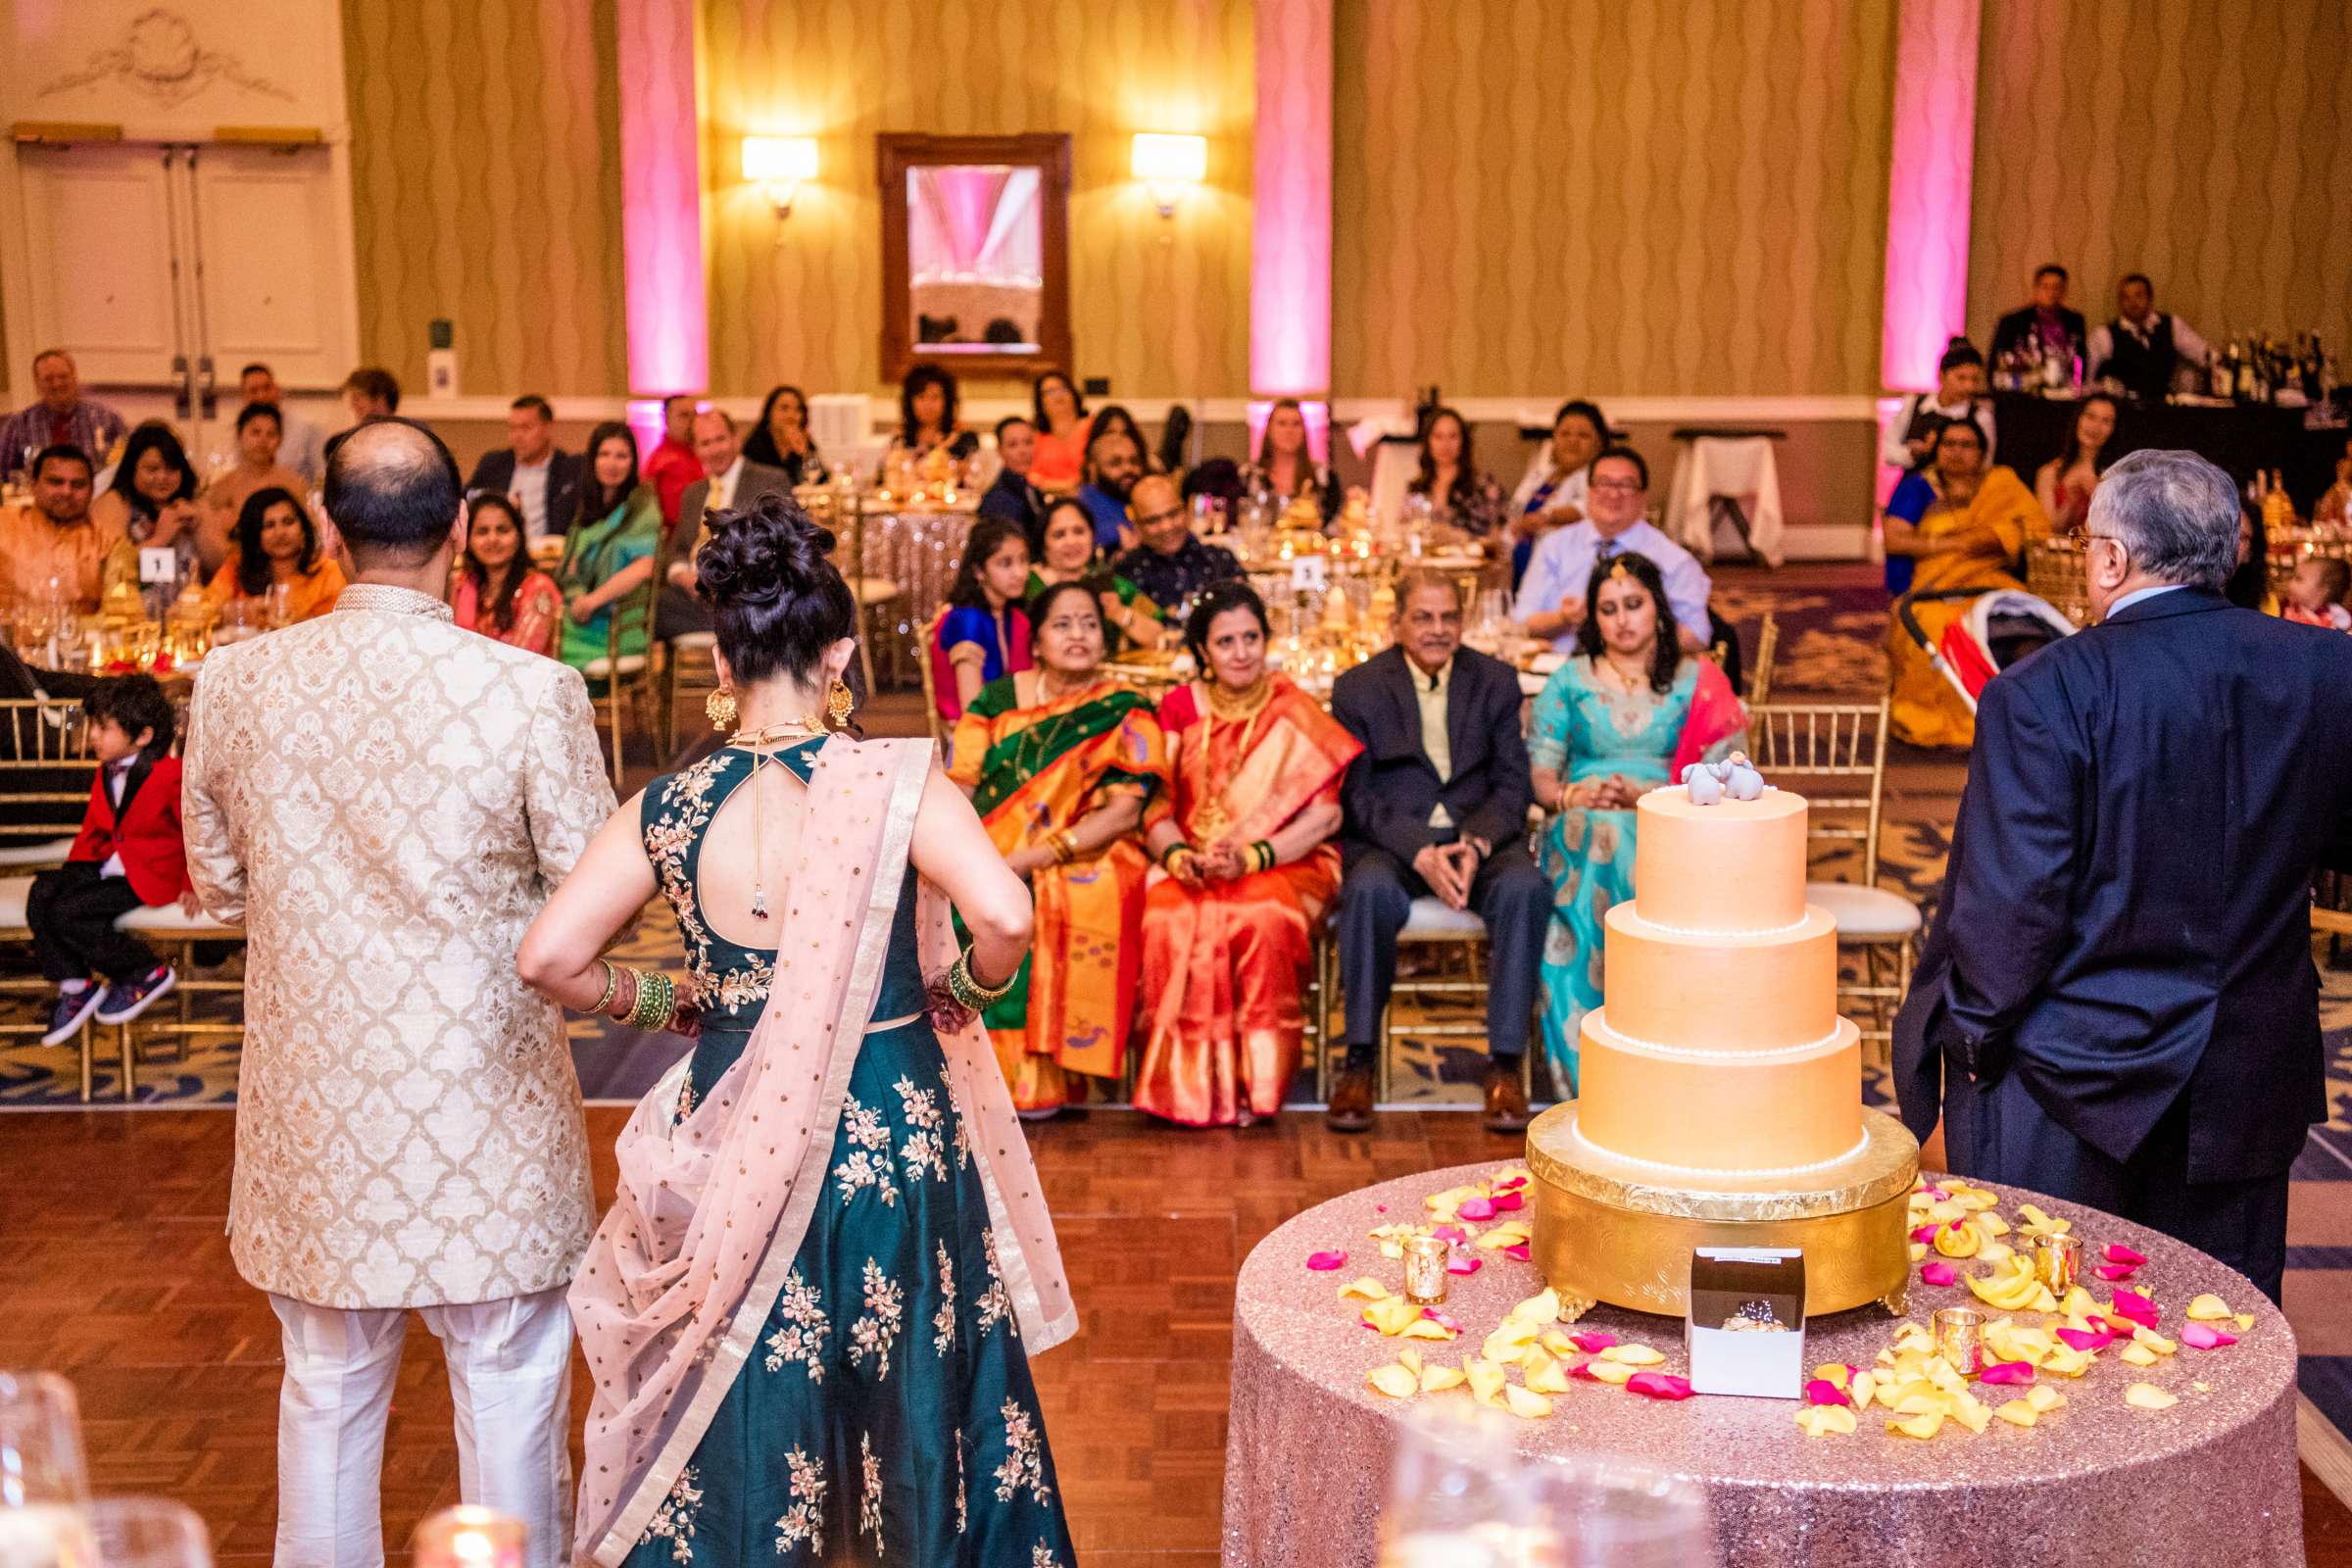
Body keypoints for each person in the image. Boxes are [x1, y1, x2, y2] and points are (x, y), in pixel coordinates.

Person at [517, 493, 1078, 1567]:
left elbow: (549, 958)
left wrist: (664, 1001)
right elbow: (1008, 914)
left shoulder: (668, 805)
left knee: (749, 1390)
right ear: (842, 655)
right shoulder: (895, 782)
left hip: (729, 1130)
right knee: (909, 1386)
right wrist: (961, 981)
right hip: (891, 1122)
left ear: (722, 668)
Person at [180, 416, 615, 1566]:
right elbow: (593, 898)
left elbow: (219, 888)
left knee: (326, 1383)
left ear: (327, 524)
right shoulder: (530, 691)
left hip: (316, 1102)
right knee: (510, 1376)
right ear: (458, 528)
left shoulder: (238, 681)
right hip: (488, 1099)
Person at [1892, 449, 2352, 1306]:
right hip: (2246, 1069)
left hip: (2069, 1078)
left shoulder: (2044, 691)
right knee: (2222, 1336)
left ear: (2111, 559)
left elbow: (2012, 909)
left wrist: (1969, 1057)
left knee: (2055, 1335)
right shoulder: (2327, 670)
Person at [1135, 582, 1361, 1126]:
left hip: (1287, 861)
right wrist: (1177, 857)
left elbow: (1326, 817)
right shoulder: (1179, 708)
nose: (1241, 652)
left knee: (1259, 915)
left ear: (1267, 640)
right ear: (1203, 652)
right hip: (1192, 859)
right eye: (1226, 641)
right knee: (1168, 915)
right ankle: (1182, 1087)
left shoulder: (1293, 709)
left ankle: (1257, 1087)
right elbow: (1156, 808)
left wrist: (1255, 855)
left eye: (1251, 638)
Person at [1327, 573, 1544, 1134]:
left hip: (1479, 837)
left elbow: (1512, 784)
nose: (1438, 630)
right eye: (1424, 618)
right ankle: (1359, 1059)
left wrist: (1475, 843)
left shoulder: (1494, 681)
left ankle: (1504, 1064)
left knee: (1526, 888)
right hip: (1394, 843)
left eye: (1449, 617)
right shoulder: (1359, 688)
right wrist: (1420, 850)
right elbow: (1356, 796)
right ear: (1396, 622)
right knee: (1367, 891)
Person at [946, 579, 1167, 1117]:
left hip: (1084, 850)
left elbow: (1125, 810)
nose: (1078, 635)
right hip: (990, 843)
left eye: (1090, 624)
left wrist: (1036, 856)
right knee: (956, 898)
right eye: (1062, 624)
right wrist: (960, 853)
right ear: (1037, 641)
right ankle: (964, 1072)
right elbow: (961, 785)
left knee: (1063, 896)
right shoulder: (996, 699)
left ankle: (1044, 1082)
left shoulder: (1127, 708)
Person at [1527, 554, 1746, 1088]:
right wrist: (1575, 793)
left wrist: (1650, 795)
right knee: (1599, 830)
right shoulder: (1570, 681)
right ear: (1593, 619)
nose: (1622, 619)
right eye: (1608, 609)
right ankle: (1590, 1070)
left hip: (1678, 819)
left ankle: (1659, 1048)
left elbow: (1732, 775)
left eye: (1634, 604)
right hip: (1581, 822)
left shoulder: (1700, 680)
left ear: (1658, 610)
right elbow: (1541, 779)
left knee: (1630, 832)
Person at [27, 674, 194, 1047]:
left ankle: (144, 969)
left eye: (104, 728)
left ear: (144, 736)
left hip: (148, 874)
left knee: (70, 911)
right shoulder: (105, 772)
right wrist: (75, 871)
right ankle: (75, 983)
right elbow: (94, 829)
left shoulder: (169, 776)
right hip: (107, 865)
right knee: (42, 893)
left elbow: (195, 833)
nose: (92, 737)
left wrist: (192, 883)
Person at [1882, 416, 2051, 747]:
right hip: (1933, 589)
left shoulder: (2001, 485)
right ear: (1937, 450)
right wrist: (1957, 543)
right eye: (1949, 444)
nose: (1957, 452)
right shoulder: (1918, 487)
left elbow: (2034, 529)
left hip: (1990, 584)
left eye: (1967, 445)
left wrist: (1992, 537)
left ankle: (2004, 721)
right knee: (1934, 625)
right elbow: (1895, 540)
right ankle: (1937, 722)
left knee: (2025, 621)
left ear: (1982, 452)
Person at [1512, 446, 1712, 657]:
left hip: (1639, 677)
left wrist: (1638, 629)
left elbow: (1697, 636)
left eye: (1626, 485)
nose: (1613, 493)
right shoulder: (1555, 546)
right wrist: (1563, 618)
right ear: (1589, 492)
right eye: (1604, 483)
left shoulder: (1673, 560)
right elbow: (1521, 622)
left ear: (1643, 496)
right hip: (1556, 668)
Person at [656, 408, 793, 641]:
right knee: (651, 607)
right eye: (706, 443)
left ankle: (740, 636)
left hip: (743, 593)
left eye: (721, 439)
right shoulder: (693, 493)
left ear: (736, 440)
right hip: (694, 597)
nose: (715, 450)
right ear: (696, 450)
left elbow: (781, 542)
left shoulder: (769, 480)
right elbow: (676, 550)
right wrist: (682, 576)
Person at [556, 422, 662, 675]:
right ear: (592, 459)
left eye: (621, 456)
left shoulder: (642, 505)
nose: (612, 464)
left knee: (547, 647)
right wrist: (579, 598)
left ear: (633, 461)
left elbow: (643, 568)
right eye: (604, 454)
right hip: (583, 616)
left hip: (620, 624)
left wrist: (592, 601)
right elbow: (570, 566)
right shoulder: (588, 509)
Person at [1027, 496, 1165, 654]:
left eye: (1079, 531)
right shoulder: (1025, 584)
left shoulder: (1108, 583)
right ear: (1043, 543)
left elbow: (1159, 636)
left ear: (1092, 537)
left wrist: (1118, 612)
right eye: (1059, 534)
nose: (1071, 541)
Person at [931, 516, 1033, 723]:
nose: (1020, 573)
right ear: (978, 571)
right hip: (974, 734)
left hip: (1008, 721)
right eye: (1005, 563)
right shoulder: (968, 621)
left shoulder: (1011, 616)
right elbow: (972, 709)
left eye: (1023, 560)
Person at [90, 422, 209, 597]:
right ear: (132, 469)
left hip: (189, 612)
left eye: (171, 469)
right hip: (129, 612)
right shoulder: (114, 503)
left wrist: (199, 527)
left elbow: (221, 565)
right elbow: (108, 570)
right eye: (152, 469)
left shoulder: (191, 503)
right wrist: (159, 539)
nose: (162, 477)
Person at [2, 446, 121, 612]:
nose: (67, 492)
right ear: (33, 485)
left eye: (78, 485)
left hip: (81, 637)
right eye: (55, 482)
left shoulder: (107, 543)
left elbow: (116, 614)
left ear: (92, 490)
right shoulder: (4, 526)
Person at [204, 487, 347, 624]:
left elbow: (333, 623)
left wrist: (279, 619)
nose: (280, 533)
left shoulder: (328, 571)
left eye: (288, 522)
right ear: (254, 535)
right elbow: (202, 610)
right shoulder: (236, 566)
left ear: (303, 528)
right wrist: (232, 610)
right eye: (269, 525)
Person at [1507, 400, 1609, 584]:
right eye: (1565, 434)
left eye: (1583, 435)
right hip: (1524, 571)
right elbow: (1515, 510)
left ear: (1599, 443)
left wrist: (1547, 517)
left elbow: (1586, 509)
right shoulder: (1540, 475)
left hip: (1568, 579)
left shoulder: (1600, 480)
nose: (1573, 441)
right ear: (1554, 438)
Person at [1112, 473, 1242, 617]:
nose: (1167, 527)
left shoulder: (1220, 559)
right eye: (1153, 520)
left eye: (1173, 514)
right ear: (1137, 525)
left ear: (1186, 511)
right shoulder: (1127, 573)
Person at [453, 492, 563, 657]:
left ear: (519, 535)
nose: (493, 539)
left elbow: (526, 659)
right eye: (482, 531)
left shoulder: (538, 588)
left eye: (502, 530)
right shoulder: (463, 585)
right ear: (468, 540)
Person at [465, 395, 583, 544]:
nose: (517, 436)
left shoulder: (570, 469)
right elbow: (466, 498)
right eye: (513, 428)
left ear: (548, 428)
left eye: (525, 428)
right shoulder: (493, 464)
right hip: (499, 551)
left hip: (549, 555)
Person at [202, 404, 311, 560]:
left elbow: (305, 533)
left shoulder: (293, 483)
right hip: (239, 566)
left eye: (271, 434)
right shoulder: (223, 487)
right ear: (240, 436)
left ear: (280, 440)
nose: (263, 440)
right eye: (255, 432)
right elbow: (213, 538)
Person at [2088, 273, 2211, 404]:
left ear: (2150, 298)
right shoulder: (2104, 335)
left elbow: (2204, 354)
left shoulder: (2171, 325)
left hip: (2162, 406)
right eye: (2126, 297)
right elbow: (2088, 379)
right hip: (2121, 408)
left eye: (2138, 296)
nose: (2133, 303)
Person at [0, 350, 127, 471]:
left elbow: (126, 469)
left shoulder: (107, 420)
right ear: (37, 384)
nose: (57, 384)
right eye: (48, 379)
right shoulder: (18, 425)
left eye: (63, 376)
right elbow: (4, 474)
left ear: (74, 377)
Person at [1880, 339, 1995, 472]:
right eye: (1961, 378)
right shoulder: (1914, 404)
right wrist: (1913, 454)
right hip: (1917, 486)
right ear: (1941, 375)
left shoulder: (1980, 416)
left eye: (1974, 379)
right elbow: (1888, 451)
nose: (1969, 387)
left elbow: (1985, 464)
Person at [1407, 407, 1507, 537]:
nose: (1445, 444)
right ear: (1428, 442)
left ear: (1463, 441)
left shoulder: (1484, 486)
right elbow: (1407, 531)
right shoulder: (1417, 489)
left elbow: (1499, 535)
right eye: (1438, 437)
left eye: (1453, 436)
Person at [2032, 392, 2120, 535]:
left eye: (2106, 421)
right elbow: (2050, 531)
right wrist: (2071, 502)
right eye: (2090, 416)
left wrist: (2098, 498)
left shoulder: (2117, 478)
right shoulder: (2049, 473)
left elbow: (2121, 533)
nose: (2096, 427)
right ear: (2078, 419)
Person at [1243, 398, 1339, 527]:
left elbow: (1333, 524)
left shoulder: (1324, 476)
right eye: (1282, 423)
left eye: (1296, 424)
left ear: (1304, 430)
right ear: (1269, 429)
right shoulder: (1249, 475)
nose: (1289, 431)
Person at [882, 363, 980, 476]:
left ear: (947, 401)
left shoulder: (964, 438)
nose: (928, 405)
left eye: (935, 397)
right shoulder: (900, 438)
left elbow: (973, 476)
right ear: (909, 402)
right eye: (921, 397)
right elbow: (885, 474)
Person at [239, 363, 327, 485]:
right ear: (244, 396)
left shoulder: (307, 427)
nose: (262, 396)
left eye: (266, 388)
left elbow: (323, 475)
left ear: (277, 389)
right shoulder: (241, 429)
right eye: (254, 391)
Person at [1989, 263, 2088, 368]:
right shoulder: (2012, 322)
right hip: (2026, 381)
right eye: (2045, 287)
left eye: (2057, 287)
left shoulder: (2075, 320)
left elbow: (2080, 360)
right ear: (2036, 289)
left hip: (2067, 382)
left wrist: (2077, 382)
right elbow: (1996, 362)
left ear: (2065, 290)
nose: (2051, 293)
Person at [738, 382, 830, 486]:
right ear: (769, 413)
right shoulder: (756, 444)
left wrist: (804, 454)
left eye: (798, 409)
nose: (791, 415)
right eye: (784, 408)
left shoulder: (805, 441)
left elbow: (821, 482)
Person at [1076, 426, 1145, 551]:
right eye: (1116, 463)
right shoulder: (1084, 506)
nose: (1128, 469)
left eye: (1134, 461)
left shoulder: (1136, 498)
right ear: (1093, 469)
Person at [642, 393, 705, 527]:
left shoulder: (696, 453)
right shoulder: (666, 463)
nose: (693, 421)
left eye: (695, 415)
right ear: (665, 419)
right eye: (684, 415)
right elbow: (681, 519)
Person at [980, 415, 1048, 532]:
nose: (1023, 451)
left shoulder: (1030, 488)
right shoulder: (999, 499)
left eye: (1028, 442)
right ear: (1000, 451)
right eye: (1013, 445)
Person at [1028, 368, 1092, 492]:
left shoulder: (1093, 427)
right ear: (1041, 403)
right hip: (1051, 502)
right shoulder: (1036, 439)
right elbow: (1031, 478)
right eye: (1050, 391)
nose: (1058, 394)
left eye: (1063, 388)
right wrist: (1066, 486)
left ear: (1074, 394)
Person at [2225, 501, 2278, 615]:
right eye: (2223, 531)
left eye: (2240, 536)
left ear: (2249, 554)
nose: (2229, 542)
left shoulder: (2264, 606)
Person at [2281, 556, 2352, 631]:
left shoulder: (2334, 618)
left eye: (2299, 579)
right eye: (2292, 577)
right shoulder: (2285, 606)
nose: (2290, 583)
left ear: (2322, 591)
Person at [2316, 435, 2352, 527]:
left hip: (2349, 489)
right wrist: (2341, 485)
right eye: (2349, 446)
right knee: (2332, 495)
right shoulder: (2342, 463)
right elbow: (2340, 477)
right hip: (2343, 488)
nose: (2350, 449)